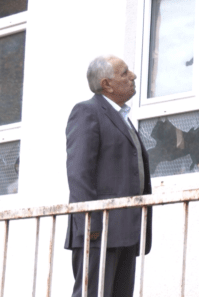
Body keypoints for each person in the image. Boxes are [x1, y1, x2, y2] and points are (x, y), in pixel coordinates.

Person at [65, 55, 152, 297]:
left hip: (126, 232)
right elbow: (79, 174)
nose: (133, 76)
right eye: (125, 73)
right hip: (98, 232)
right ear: (107, 84)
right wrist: (91, 229)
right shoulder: (87, 112)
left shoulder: (122, 118)